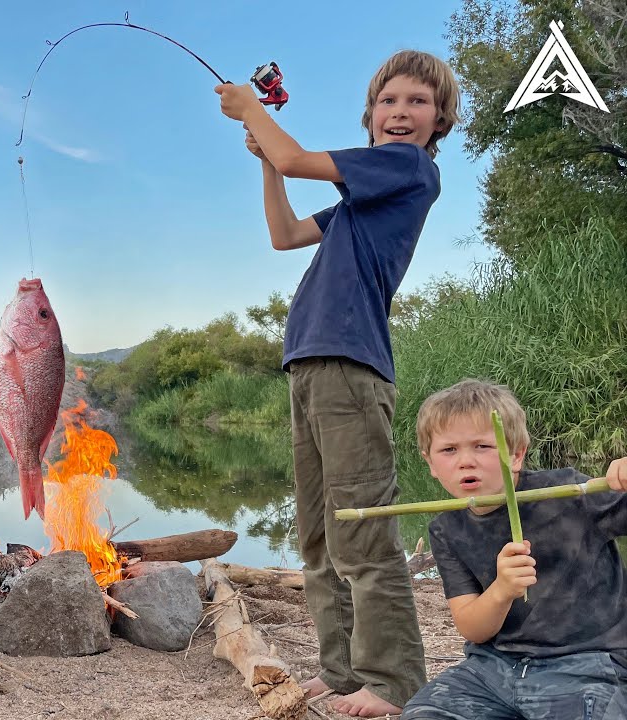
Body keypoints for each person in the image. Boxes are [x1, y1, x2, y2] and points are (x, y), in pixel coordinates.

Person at [215, 50, 461, 717]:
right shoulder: (361, 200)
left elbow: (300, 159)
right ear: (372, 112)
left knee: (364, 533)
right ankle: (343, 668)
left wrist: (253, 113)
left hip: (352, 368)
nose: (401, 112)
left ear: (438, 120)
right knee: (320, 536)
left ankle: (395, 680)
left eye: (417, 102)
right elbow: (285, 232)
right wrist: (267, 157)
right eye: (389, 101)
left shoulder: (409, 168)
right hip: (311, 363)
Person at [403, 379, 627, 718]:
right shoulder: (446, 530)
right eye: (449, 450)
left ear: (517, 453)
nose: (466, 461)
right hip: (493, 669)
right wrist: (501, 591)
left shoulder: (570, 492)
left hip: (587, 664)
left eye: (482, 446)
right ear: (431, 463)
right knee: (423, 713)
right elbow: (473, 628)